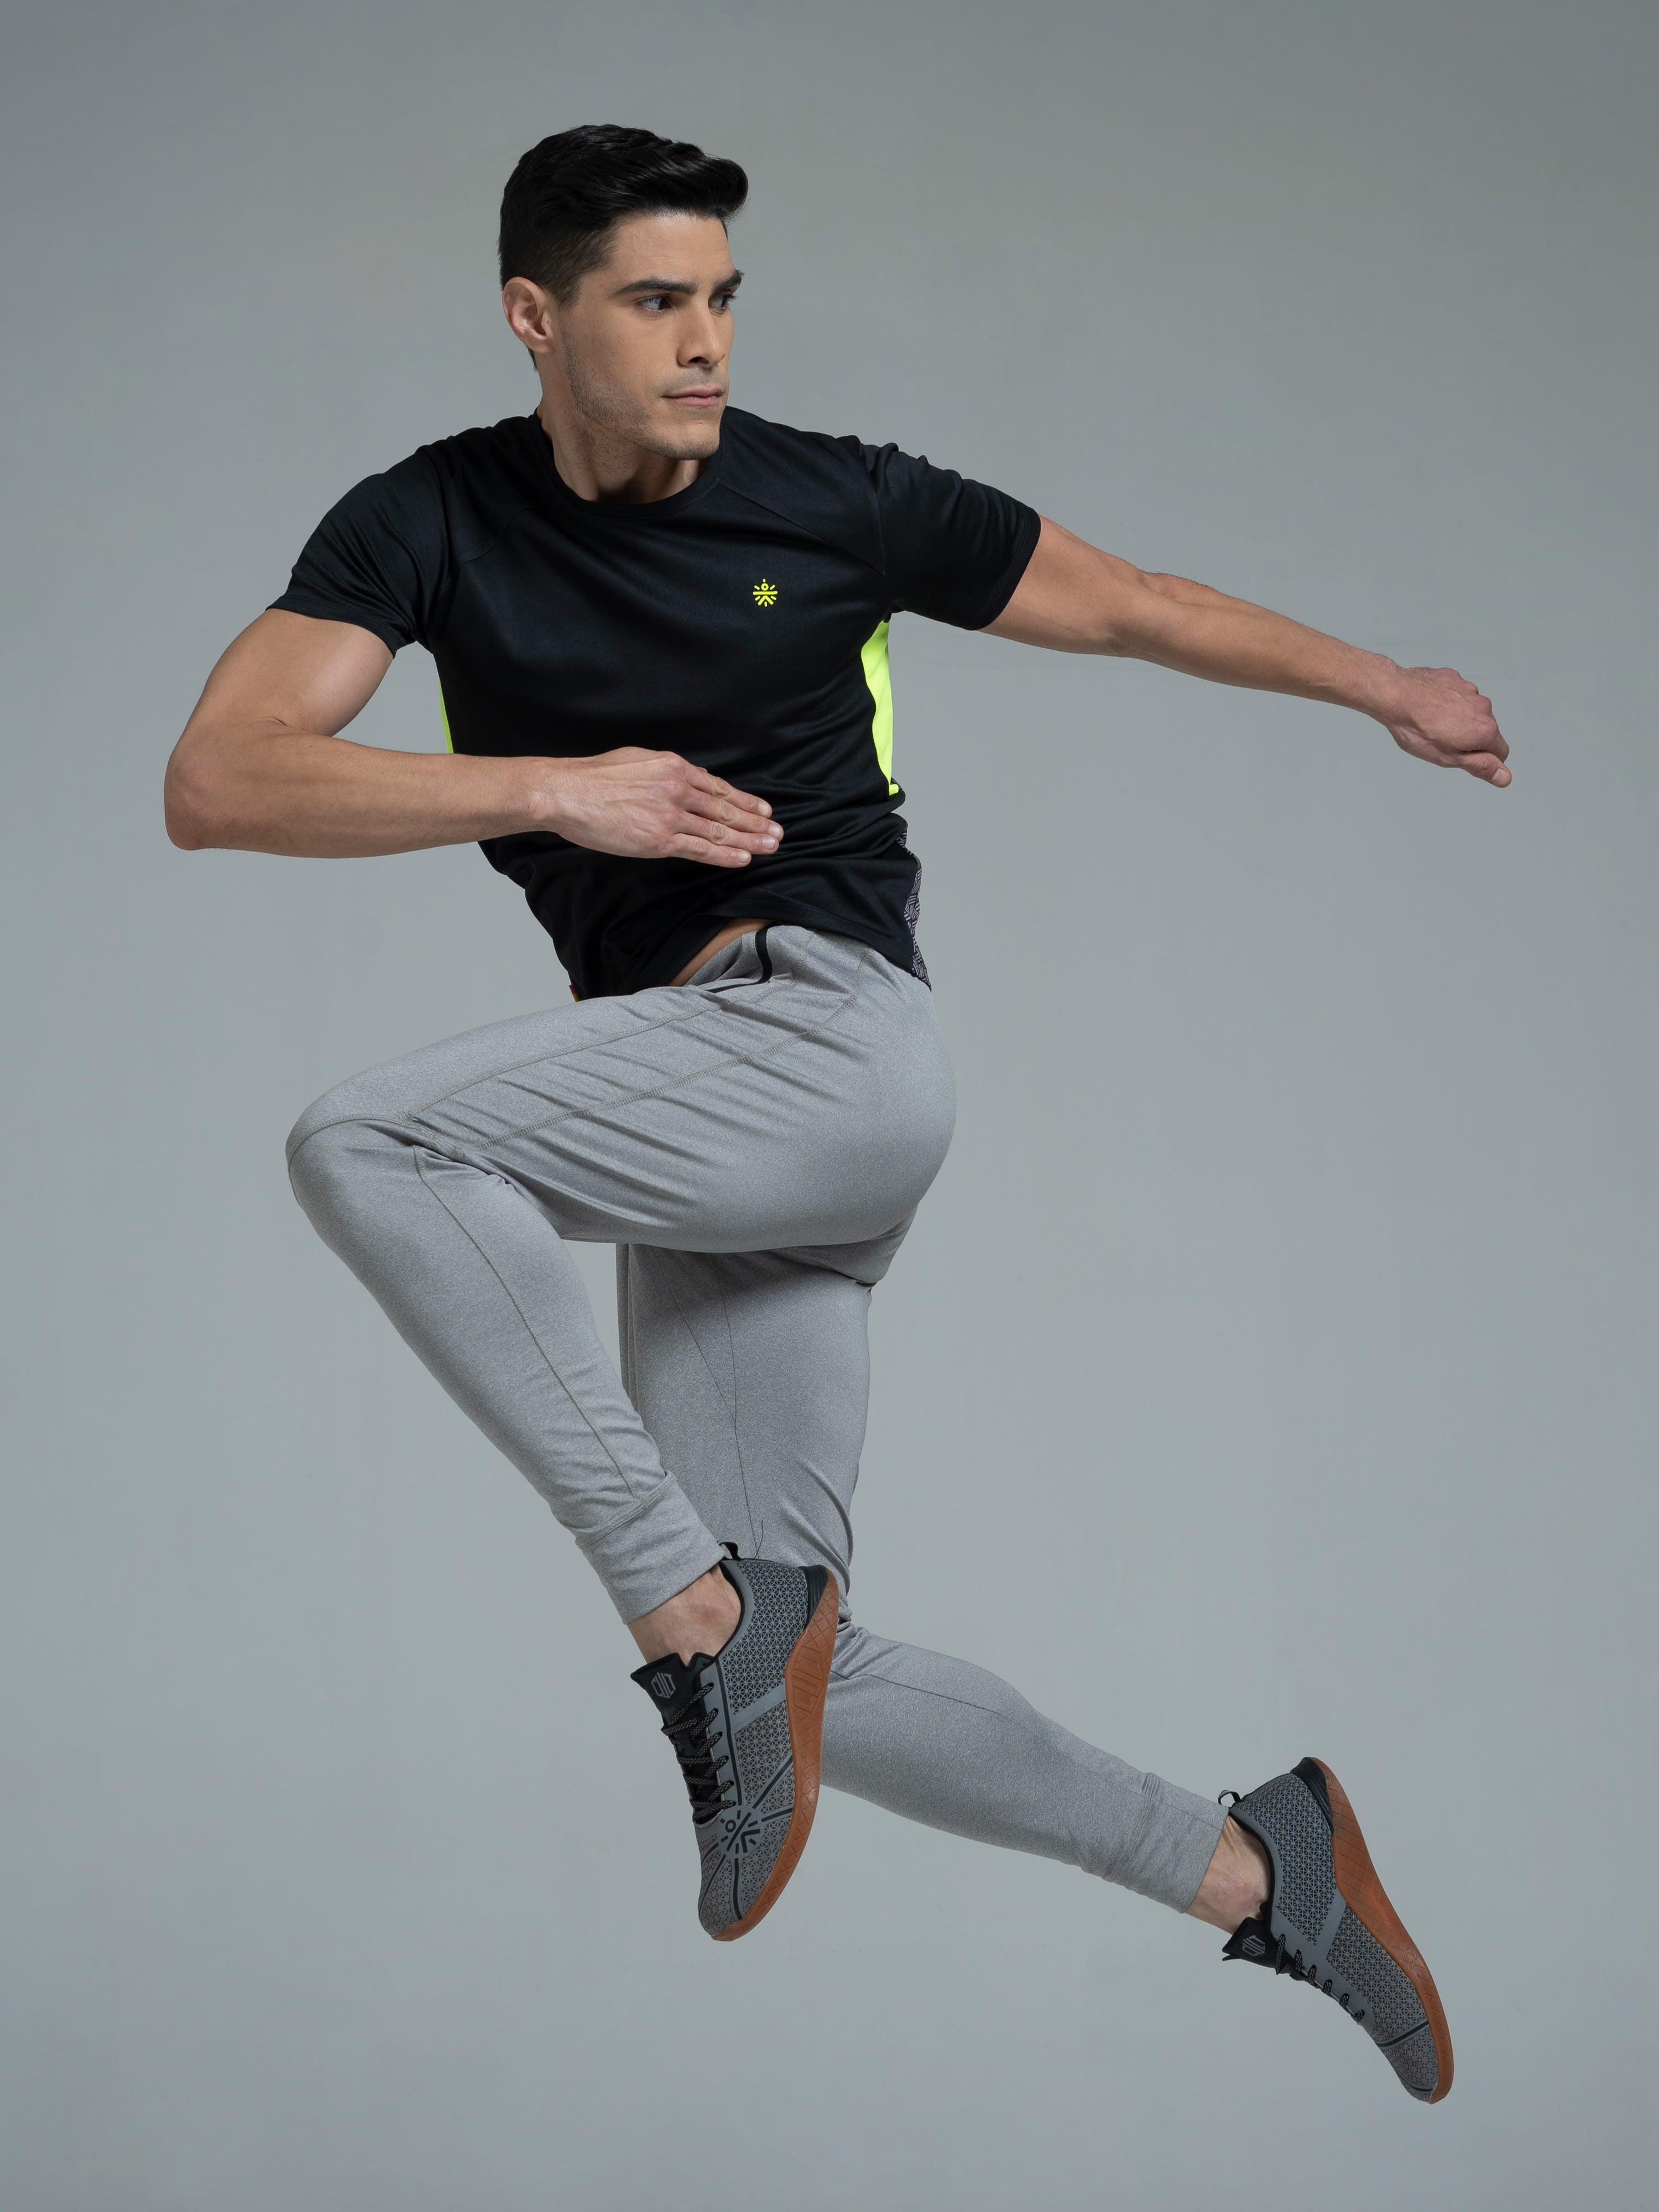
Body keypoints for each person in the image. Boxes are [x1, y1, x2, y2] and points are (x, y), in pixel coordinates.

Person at [166, 124, 1506, 2101]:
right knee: (814, 1674)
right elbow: (223, 777)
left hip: (828, 1040)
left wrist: (1385, 682)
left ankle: (689, 1620)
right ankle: (1260, 1864)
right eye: (655, 301)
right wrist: (557, 789)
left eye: (722, 298)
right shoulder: (425, 522)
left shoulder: (839, 496)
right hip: (697, 1116)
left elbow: (1134, 603)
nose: (705, 339)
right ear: (536, 316)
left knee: (372, 1145)